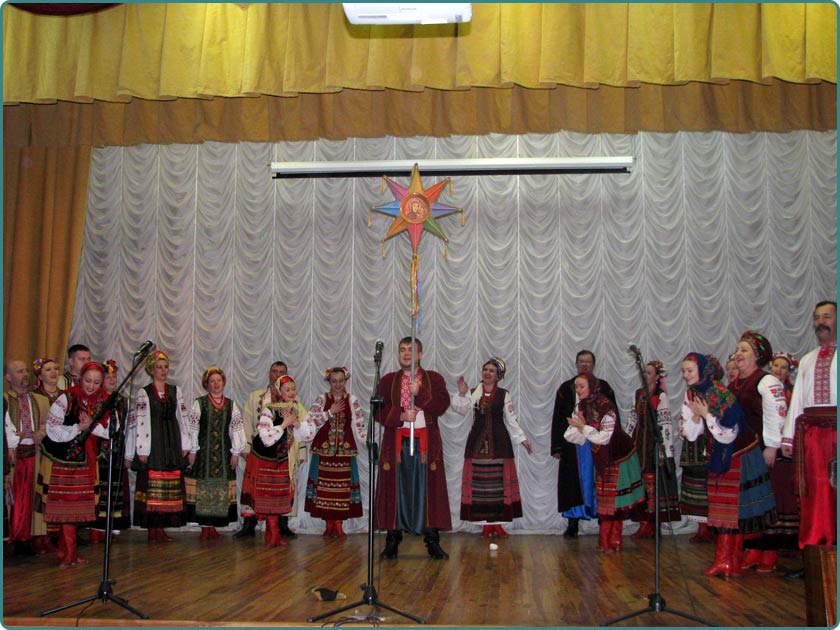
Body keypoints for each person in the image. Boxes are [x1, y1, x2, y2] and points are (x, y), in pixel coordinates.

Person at [680, 352, 776, 578]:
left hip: (740, 453)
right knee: (724, 508)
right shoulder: (693, 393)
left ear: (703, 371)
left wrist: (707, 416)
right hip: (722, 452)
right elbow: (691, 435)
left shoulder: (718, 393)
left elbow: (729, 432)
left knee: (732, 509)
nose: (685, 375)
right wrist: (696, 418)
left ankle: (728, 560)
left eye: (689, 371)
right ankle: (727, 561)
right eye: (684, 371)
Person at [375, 337, 451, 560]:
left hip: (426, 442)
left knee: (428, 490)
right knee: (395, 489)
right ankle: (392, 540)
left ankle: (432, 540)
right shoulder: (388, 380)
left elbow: (441, 405)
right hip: (397, 443)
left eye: (411, 350)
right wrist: (399, 415)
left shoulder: (433, 379)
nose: (406, 353)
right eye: (402, 350)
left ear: (420, 354)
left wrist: (421, 393)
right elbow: (378, 410)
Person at [729, 331, 790, 573]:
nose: (738, 354)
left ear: (757, 356)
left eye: (744, 350)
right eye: (738, 349)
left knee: (767, 501)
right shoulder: (734, 384)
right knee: (750, 502)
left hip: (762, 450)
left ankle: (769, 552)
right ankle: (753, 549)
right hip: (743, 452)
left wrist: (772, 446)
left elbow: (777, 414)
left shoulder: (766, 381)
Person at [451, 357, 532, 538]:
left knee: (498, 486)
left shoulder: (504, 394)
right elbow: (460, 409)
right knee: (481, 486)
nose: (487, 373)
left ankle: (498, 525)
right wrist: (463, 393)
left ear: (498, 376)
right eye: (485, 369)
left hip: (499, 443)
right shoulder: (474, 392)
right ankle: (485, 526)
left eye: (491, 371)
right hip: (477, 444)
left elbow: (511, 419)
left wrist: (522, 438)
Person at [39, 362, 110, 567]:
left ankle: (68, 551)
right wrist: (79, 427)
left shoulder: (104, 401)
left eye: (96, 382)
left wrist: (91, 428)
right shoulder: (67, 398)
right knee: (66, 508)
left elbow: (110, 430)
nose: (91, 386)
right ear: (81, 378)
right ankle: (68, 552)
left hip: (87, 460)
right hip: (66, 460)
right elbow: (53, 429)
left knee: (77, 508)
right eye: (88, 381)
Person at [564, 373, 644, 553]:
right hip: (602, 458)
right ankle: (607, 541)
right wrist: (580, 428)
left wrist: (583, 428)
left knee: (615, 500)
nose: (578, 390)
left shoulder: (606, 406)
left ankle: (612, 539)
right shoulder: (581, 406)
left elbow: (605, 438)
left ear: (592, 386)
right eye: (576, 387)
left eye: (582, 386)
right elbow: (571, 435)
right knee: (606, 500)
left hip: (620, 456)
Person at [781, 301, 837, 552]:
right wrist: (788, 438)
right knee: (815, 492)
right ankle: (815, 552)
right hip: (813, 437)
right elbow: (798, 403)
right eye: (816, 318)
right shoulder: (807, 360)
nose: (820, 322)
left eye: (827, 316)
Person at [551, 350, 619, 538]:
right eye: (581, 362)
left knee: (599, 480)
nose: (584, 365)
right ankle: (573, 522)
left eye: (588, 362)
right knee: (574, 483)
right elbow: (558, 418)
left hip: (599, 445)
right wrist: (556, 446)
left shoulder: (604, 389)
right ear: (576, 364)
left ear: (594, 364)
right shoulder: (566, 388)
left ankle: (603, 520)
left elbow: (613, 419)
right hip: (574, 446)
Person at [125, 350, 190, 542]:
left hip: (171, 440)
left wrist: (185, 443)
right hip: (154, 441)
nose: (163, 371)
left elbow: (183, 418)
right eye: (159, 368)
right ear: (151, 370)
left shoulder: (175, 391)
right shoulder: (144, 393)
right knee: (152, 486)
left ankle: (161, 527)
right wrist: (142, 449)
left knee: (167, 486)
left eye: (165, 367)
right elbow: (141, 421)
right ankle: (152, 528)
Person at [245, 375, 315, 547]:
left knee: (279, 497)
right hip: (266, 458)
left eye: (293, 389)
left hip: (285, 458)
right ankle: (273, 533)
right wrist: (284, 424)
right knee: (268, 496)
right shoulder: (269, 409)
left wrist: (297, 424)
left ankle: (273, 533)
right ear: (279, 391)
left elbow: (309, 433)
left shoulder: (298, 408)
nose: (291, 392)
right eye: (287, 389)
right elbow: (265, 437)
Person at [305, 366, 367, 538]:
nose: (338, 384)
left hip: (344, 452)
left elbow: (359, 423)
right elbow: (310, 422)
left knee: (342, 490)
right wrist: (329, 412)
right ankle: (328, 524)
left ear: (345, 381)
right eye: (334, 381)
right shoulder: (321, 399)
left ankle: (339, 524)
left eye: (341, 381)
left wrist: (367, 441)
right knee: (324, 489)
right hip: (324, 451)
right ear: (329, 382)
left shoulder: (351, 400)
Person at [185, 366, 246, 539]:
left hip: (223, 453)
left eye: (218, 380)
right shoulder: (200, 403)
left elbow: (236, 429)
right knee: (204, 485)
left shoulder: (230, 405)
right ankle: (205, 526)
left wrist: (235, 453)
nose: (216, 384)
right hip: (204, 452)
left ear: (223, 382)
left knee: (219, 486)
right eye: (212, 381)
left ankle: (214, 525)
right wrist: (192, 450)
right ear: (207, 384)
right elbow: (193, 427)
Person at [625, 360, 680, 539]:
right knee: (641, 484)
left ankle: (653, 523)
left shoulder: (660, 396)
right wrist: (627, 440)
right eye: (644, 372)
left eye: (649, 373)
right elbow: (632, 419)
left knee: (653, 485)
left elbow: (665, 424)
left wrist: (665, 450)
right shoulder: (638, 394)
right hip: (639, 445)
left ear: (657, 377)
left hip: (653, 446)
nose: (645, 376)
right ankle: (644, 522)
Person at [3, 360, 51, 555]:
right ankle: (12, 536)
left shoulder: (40, 400)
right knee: (13, 497)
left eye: (26, 371)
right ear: (8, 377)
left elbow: (49, 424)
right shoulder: (5, 400)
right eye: (19, 371)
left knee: (32, 496)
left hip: (34, 455)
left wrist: (42, 433)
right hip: (13, 457)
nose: (25, 375)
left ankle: (29, 536)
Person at [89, 360, 132, 543]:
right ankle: (95, 527)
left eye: (114, 376)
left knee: (113, 488)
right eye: (108, 376)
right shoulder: (96, 399)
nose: (112, 380)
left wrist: (127, 452)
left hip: (116, 450)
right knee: (99, 488)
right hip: (99, 451)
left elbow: (126, 428)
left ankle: (110, 526)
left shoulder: (122, 400)